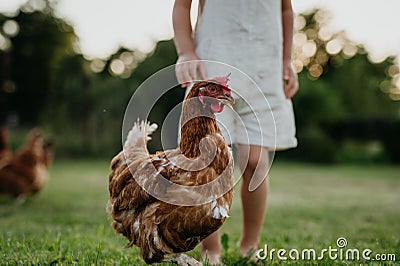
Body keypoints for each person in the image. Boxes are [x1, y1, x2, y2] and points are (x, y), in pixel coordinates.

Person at [173, 0, 299, 264]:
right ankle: (212, 248)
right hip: (214, 65)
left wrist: (287, 60)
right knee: (209, 161)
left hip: (264, 69)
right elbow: (182, 5)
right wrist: (185, 51)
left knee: (256, 161)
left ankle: (249, 244)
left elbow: (286, 10)